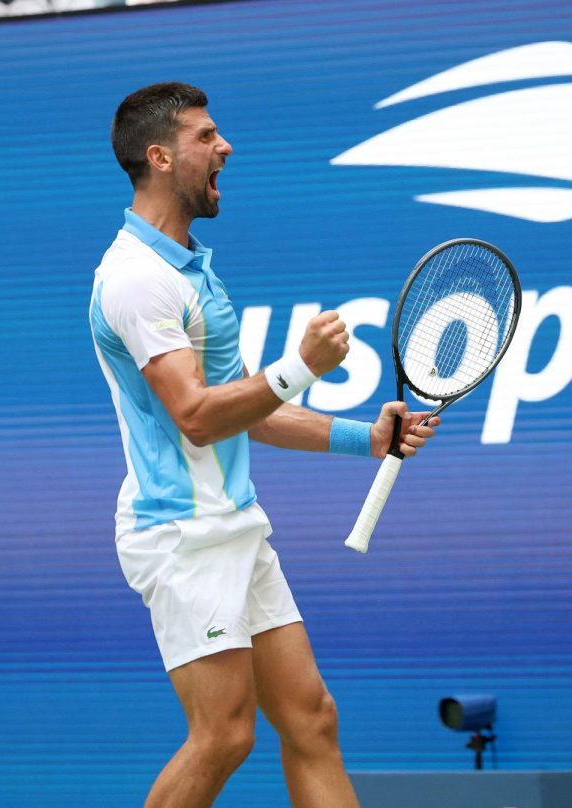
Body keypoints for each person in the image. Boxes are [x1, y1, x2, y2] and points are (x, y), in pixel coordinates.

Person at [89, 82, 438, 807]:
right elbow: (196, 416)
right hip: (182, 536)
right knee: (224, 735)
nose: (227, 147)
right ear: (159, 156)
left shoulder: (189, 267)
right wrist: (301, 366)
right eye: (206, 136)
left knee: (311, 719)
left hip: (234, 523)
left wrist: (366, 439)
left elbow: (244, 407)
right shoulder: (135, 279)